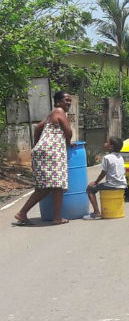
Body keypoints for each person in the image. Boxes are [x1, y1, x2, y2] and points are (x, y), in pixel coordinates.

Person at [13, 91, 73, 226]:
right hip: (52, 153)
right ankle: (25, 213)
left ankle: (52, 217)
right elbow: (68, 131)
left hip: (44, 151)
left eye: (70, 101)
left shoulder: (52, 114)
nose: (68, 103)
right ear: (58, 102)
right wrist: (68, 142)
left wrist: (37, 144)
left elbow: (39, 127)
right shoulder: (59, 111)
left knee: (51, 186)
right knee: (51, 186)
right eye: (66, 100)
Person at [83, 137, 127, 220]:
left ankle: (96, 213)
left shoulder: (107, 157)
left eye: (107, 142)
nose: (104, 143)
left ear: (111, 147)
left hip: (112, 185)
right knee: (100, 186)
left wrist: (95, 182)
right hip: (122, 184)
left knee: (90, 189)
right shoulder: (121, 157)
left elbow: (103, 173)